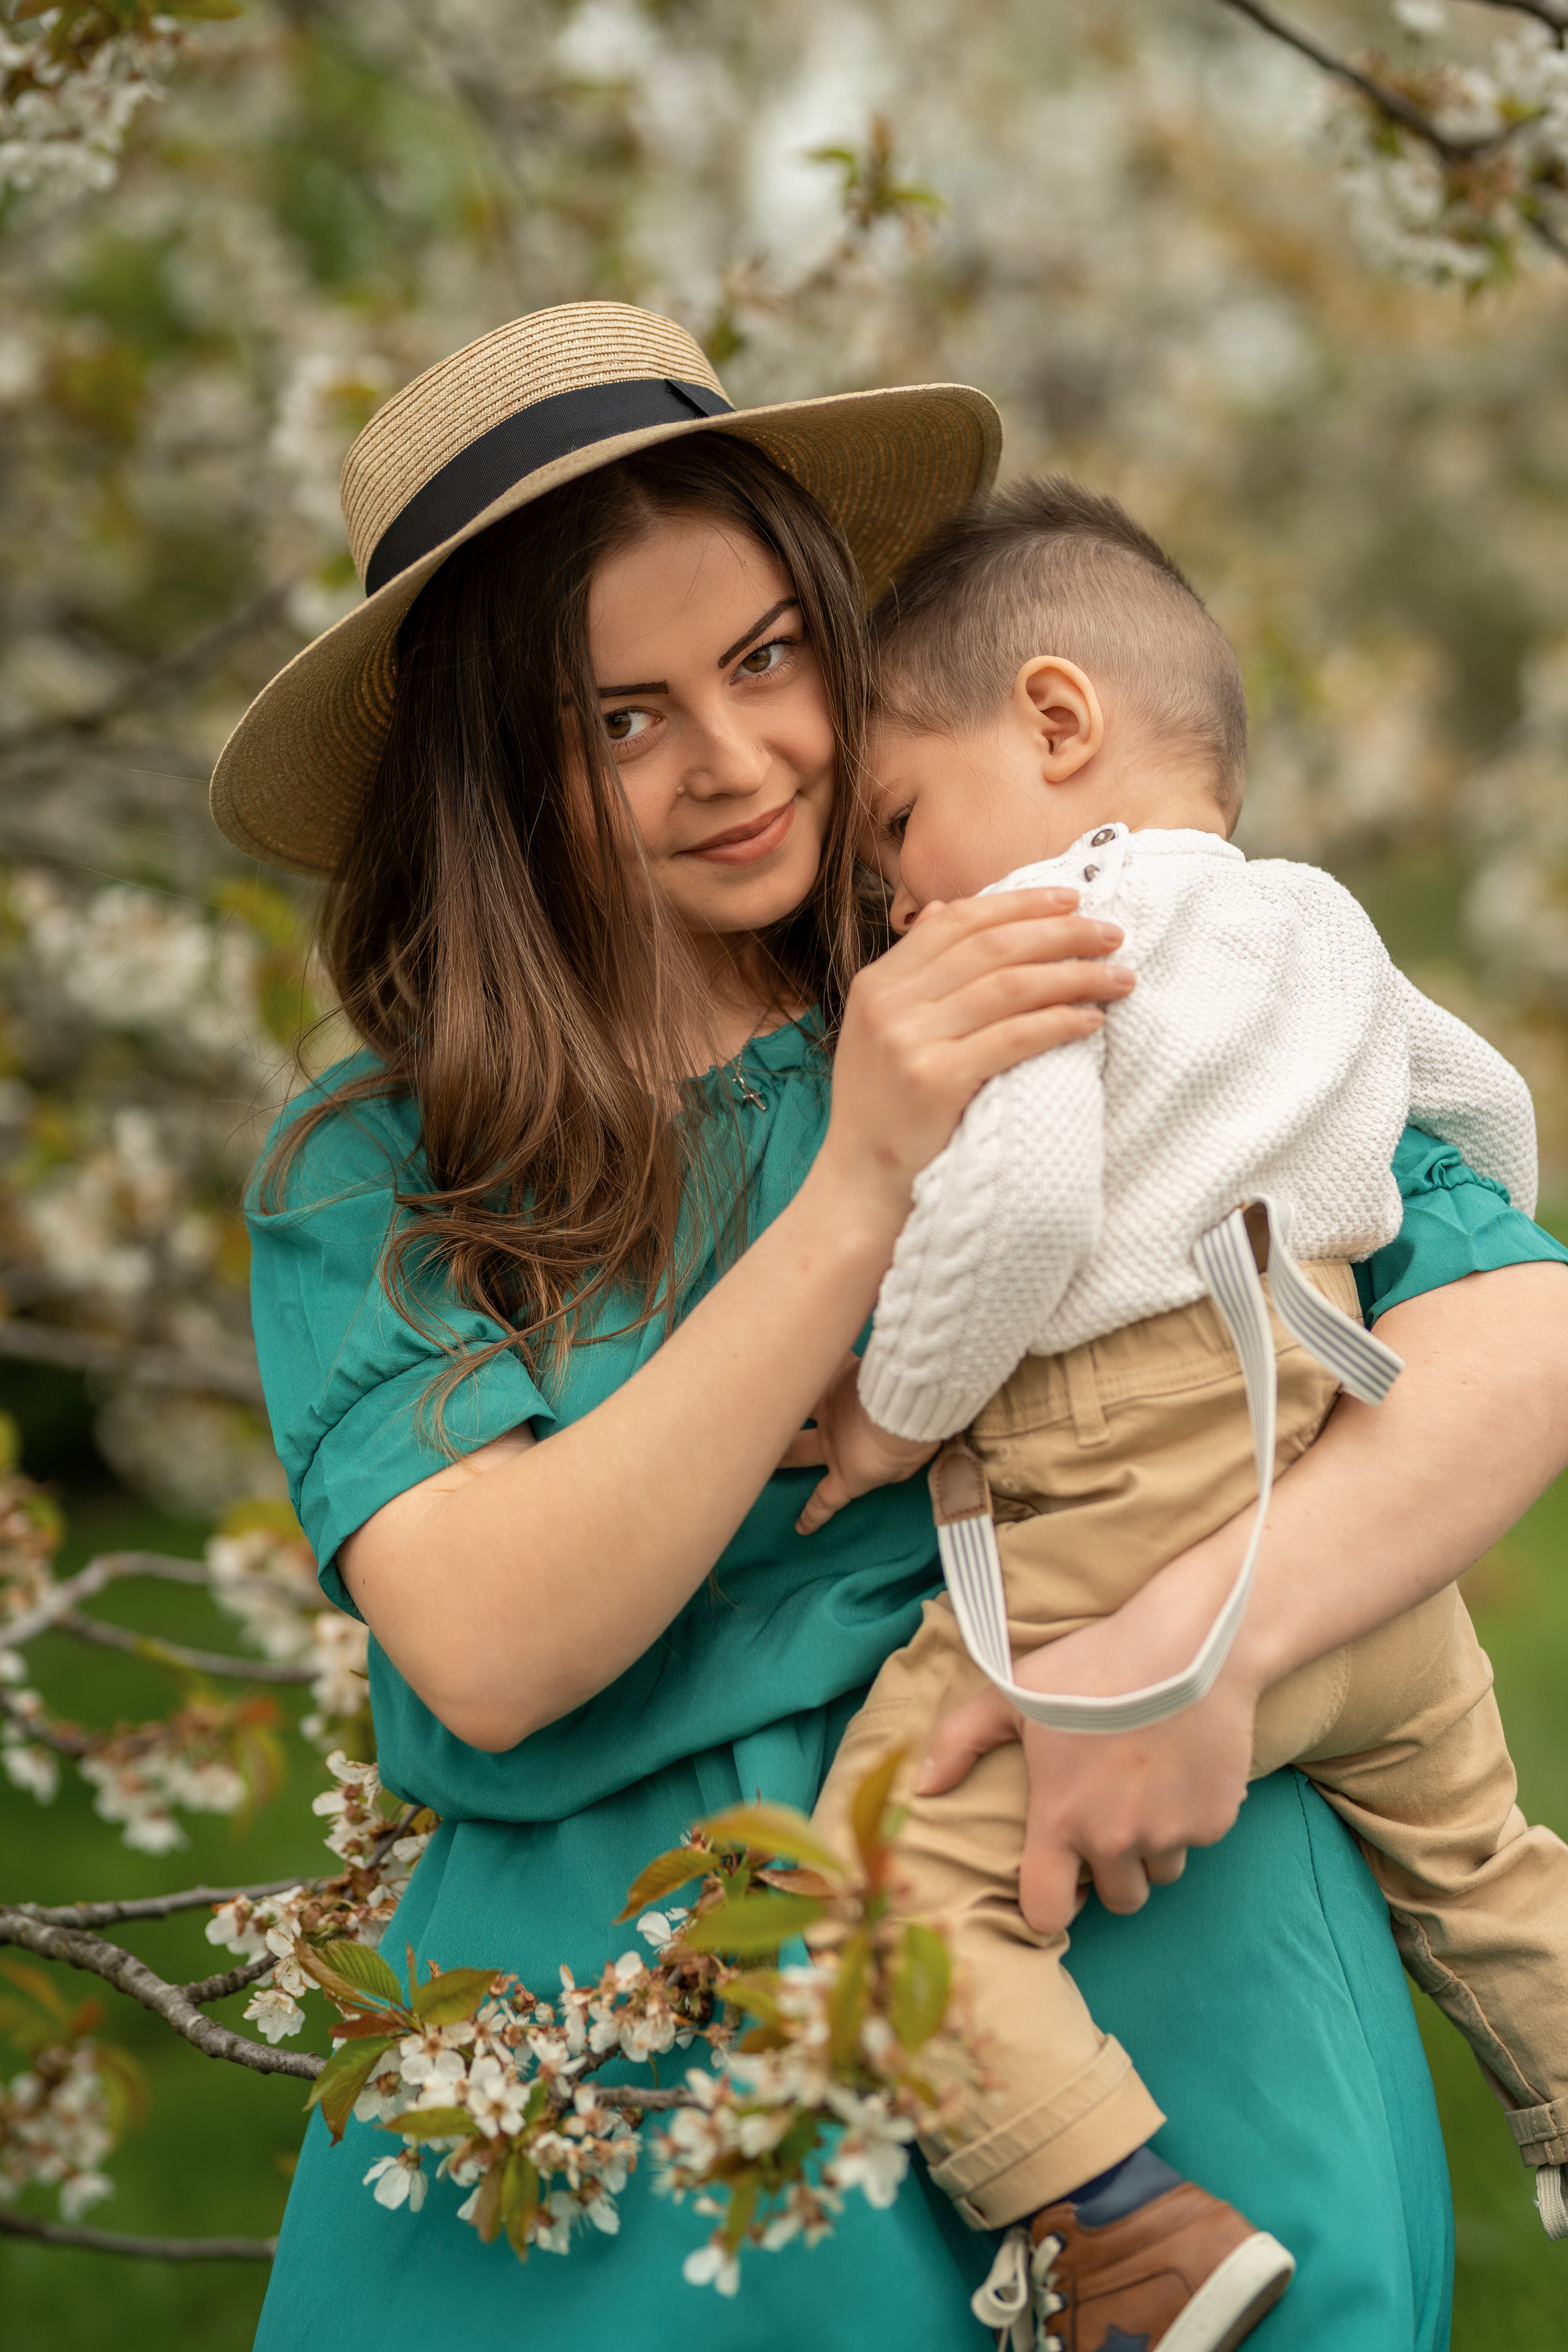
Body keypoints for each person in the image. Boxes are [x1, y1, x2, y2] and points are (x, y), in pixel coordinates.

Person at [212, 303, 1568, 2352]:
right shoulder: (385, 1165)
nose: (737, 759)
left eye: (767, 659)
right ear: (495, 770)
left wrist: (1191, 1650)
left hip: (1143, 1920)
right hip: (633, 2063)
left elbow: (1513, 1338)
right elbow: (491, 1647)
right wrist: (859, 1180)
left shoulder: (1047, 934)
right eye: (621, 716)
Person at [791, 478, 1568, 2351]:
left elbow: (1034, 1201)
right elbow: (1476, 1112)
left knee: (881, 1878)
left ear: (1056, 726)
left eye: (898, 825)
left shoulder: (1052, 923)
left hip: (1127, 1495)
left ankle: (1123, 2226)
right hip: (1343, 1494)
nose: (897, 898)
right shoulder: (1311, 913)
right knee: (1481, 1859)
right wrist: (1367, 1262)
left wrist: (899, 1412)